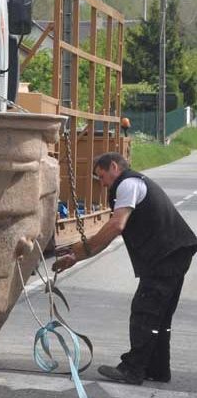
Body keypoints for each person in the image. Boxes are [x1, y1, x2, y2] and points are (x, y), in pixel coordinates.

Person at [53, 151, 197, 385]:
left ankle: (132, 369)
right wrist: (76, 257)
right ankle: (158, 369)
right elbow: (108, 236)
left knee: (145, 311)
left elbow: (116, 225)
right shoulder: (135, 183)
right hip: (174, 253)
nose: (103, 184)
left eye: (102, 177)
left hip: (166, 255)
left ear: (113, 167)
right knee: (160, 316)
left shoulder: (128, 184)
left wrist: (77, 251)